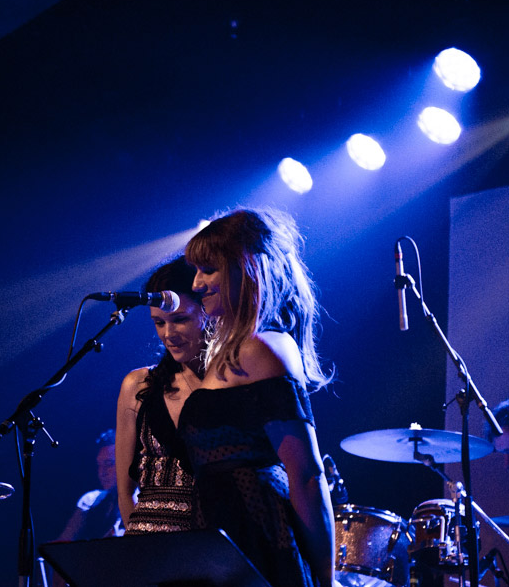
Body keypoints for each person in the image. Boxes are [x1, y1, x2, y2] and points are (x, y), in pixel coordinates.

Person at [180, 207, 336, 587]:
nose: (197, 284)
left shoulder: (264, 349)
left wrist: (326, 580)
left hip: (257, 544)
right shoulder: (229, 350)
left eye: (209, 269)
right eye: (196, 271)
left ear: (248, 267)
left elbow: (307, 474)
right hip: (218, 544)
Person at [115, 256, 206, 535]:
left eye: (180, 320)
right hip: (147, 550)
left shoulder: (234, 382)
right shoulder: (139, 385)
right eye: (158, 323)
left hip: (208, 547)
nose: (168, 334)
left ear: (208, 311)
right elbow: (123, 493)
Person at [54, 429, 124, 542]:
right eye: (99, 465)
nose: (102, 472)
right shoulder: (90, 500)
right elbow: (63, 541)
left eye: (109, 464)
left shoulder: (143, 502)